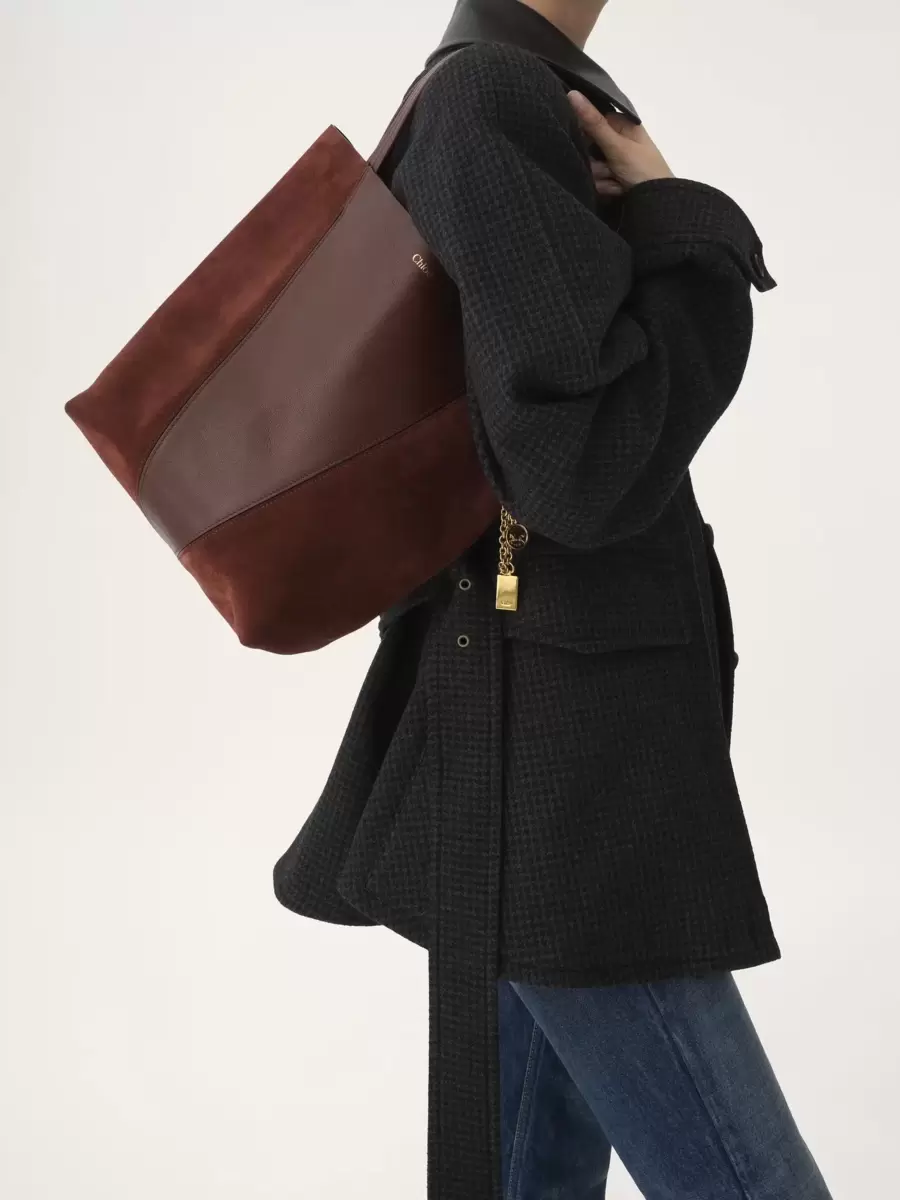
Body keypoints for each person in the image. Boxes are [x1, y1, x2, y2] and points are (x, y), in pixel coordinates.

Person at [274, 1, 833, 1196]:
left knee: (529, 1171)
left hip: (542, 723)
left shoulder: (503, 88)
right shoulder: (492, 97)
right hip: (568, 764)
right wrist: (692, 229)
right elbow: (584, 465)